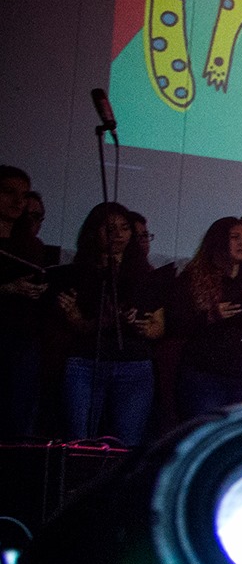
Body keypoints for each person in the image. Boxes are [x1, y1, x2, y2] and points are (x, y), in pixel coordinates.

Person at [49, 202, 165, 445]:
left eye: (124, 228)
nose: (118, 234)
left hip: (134, 364)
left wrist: (143, 327)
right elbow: (75, 324)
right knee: (78, 440)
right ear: (94, 232)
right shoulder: (76, 273)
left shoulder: (146, 276)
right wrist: (96, 322)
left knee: (126, 443)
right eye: (110, 228)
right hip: (86, 362)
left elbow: (158, 327)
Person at [168, 217, 242, 418]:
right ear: (219, 241)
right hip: (207, 375)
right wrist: (210, 316)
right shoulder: (194, 278)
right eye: (235, 237)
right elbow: (175, 323)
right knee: (207, 431)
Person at [0, 164, 47, 437]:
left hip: (23, 339)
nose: (19, 201)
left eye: (24, 194)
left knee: (18, 419)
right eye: (9, 192)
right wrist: (8, 288)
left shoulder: (31, 245)